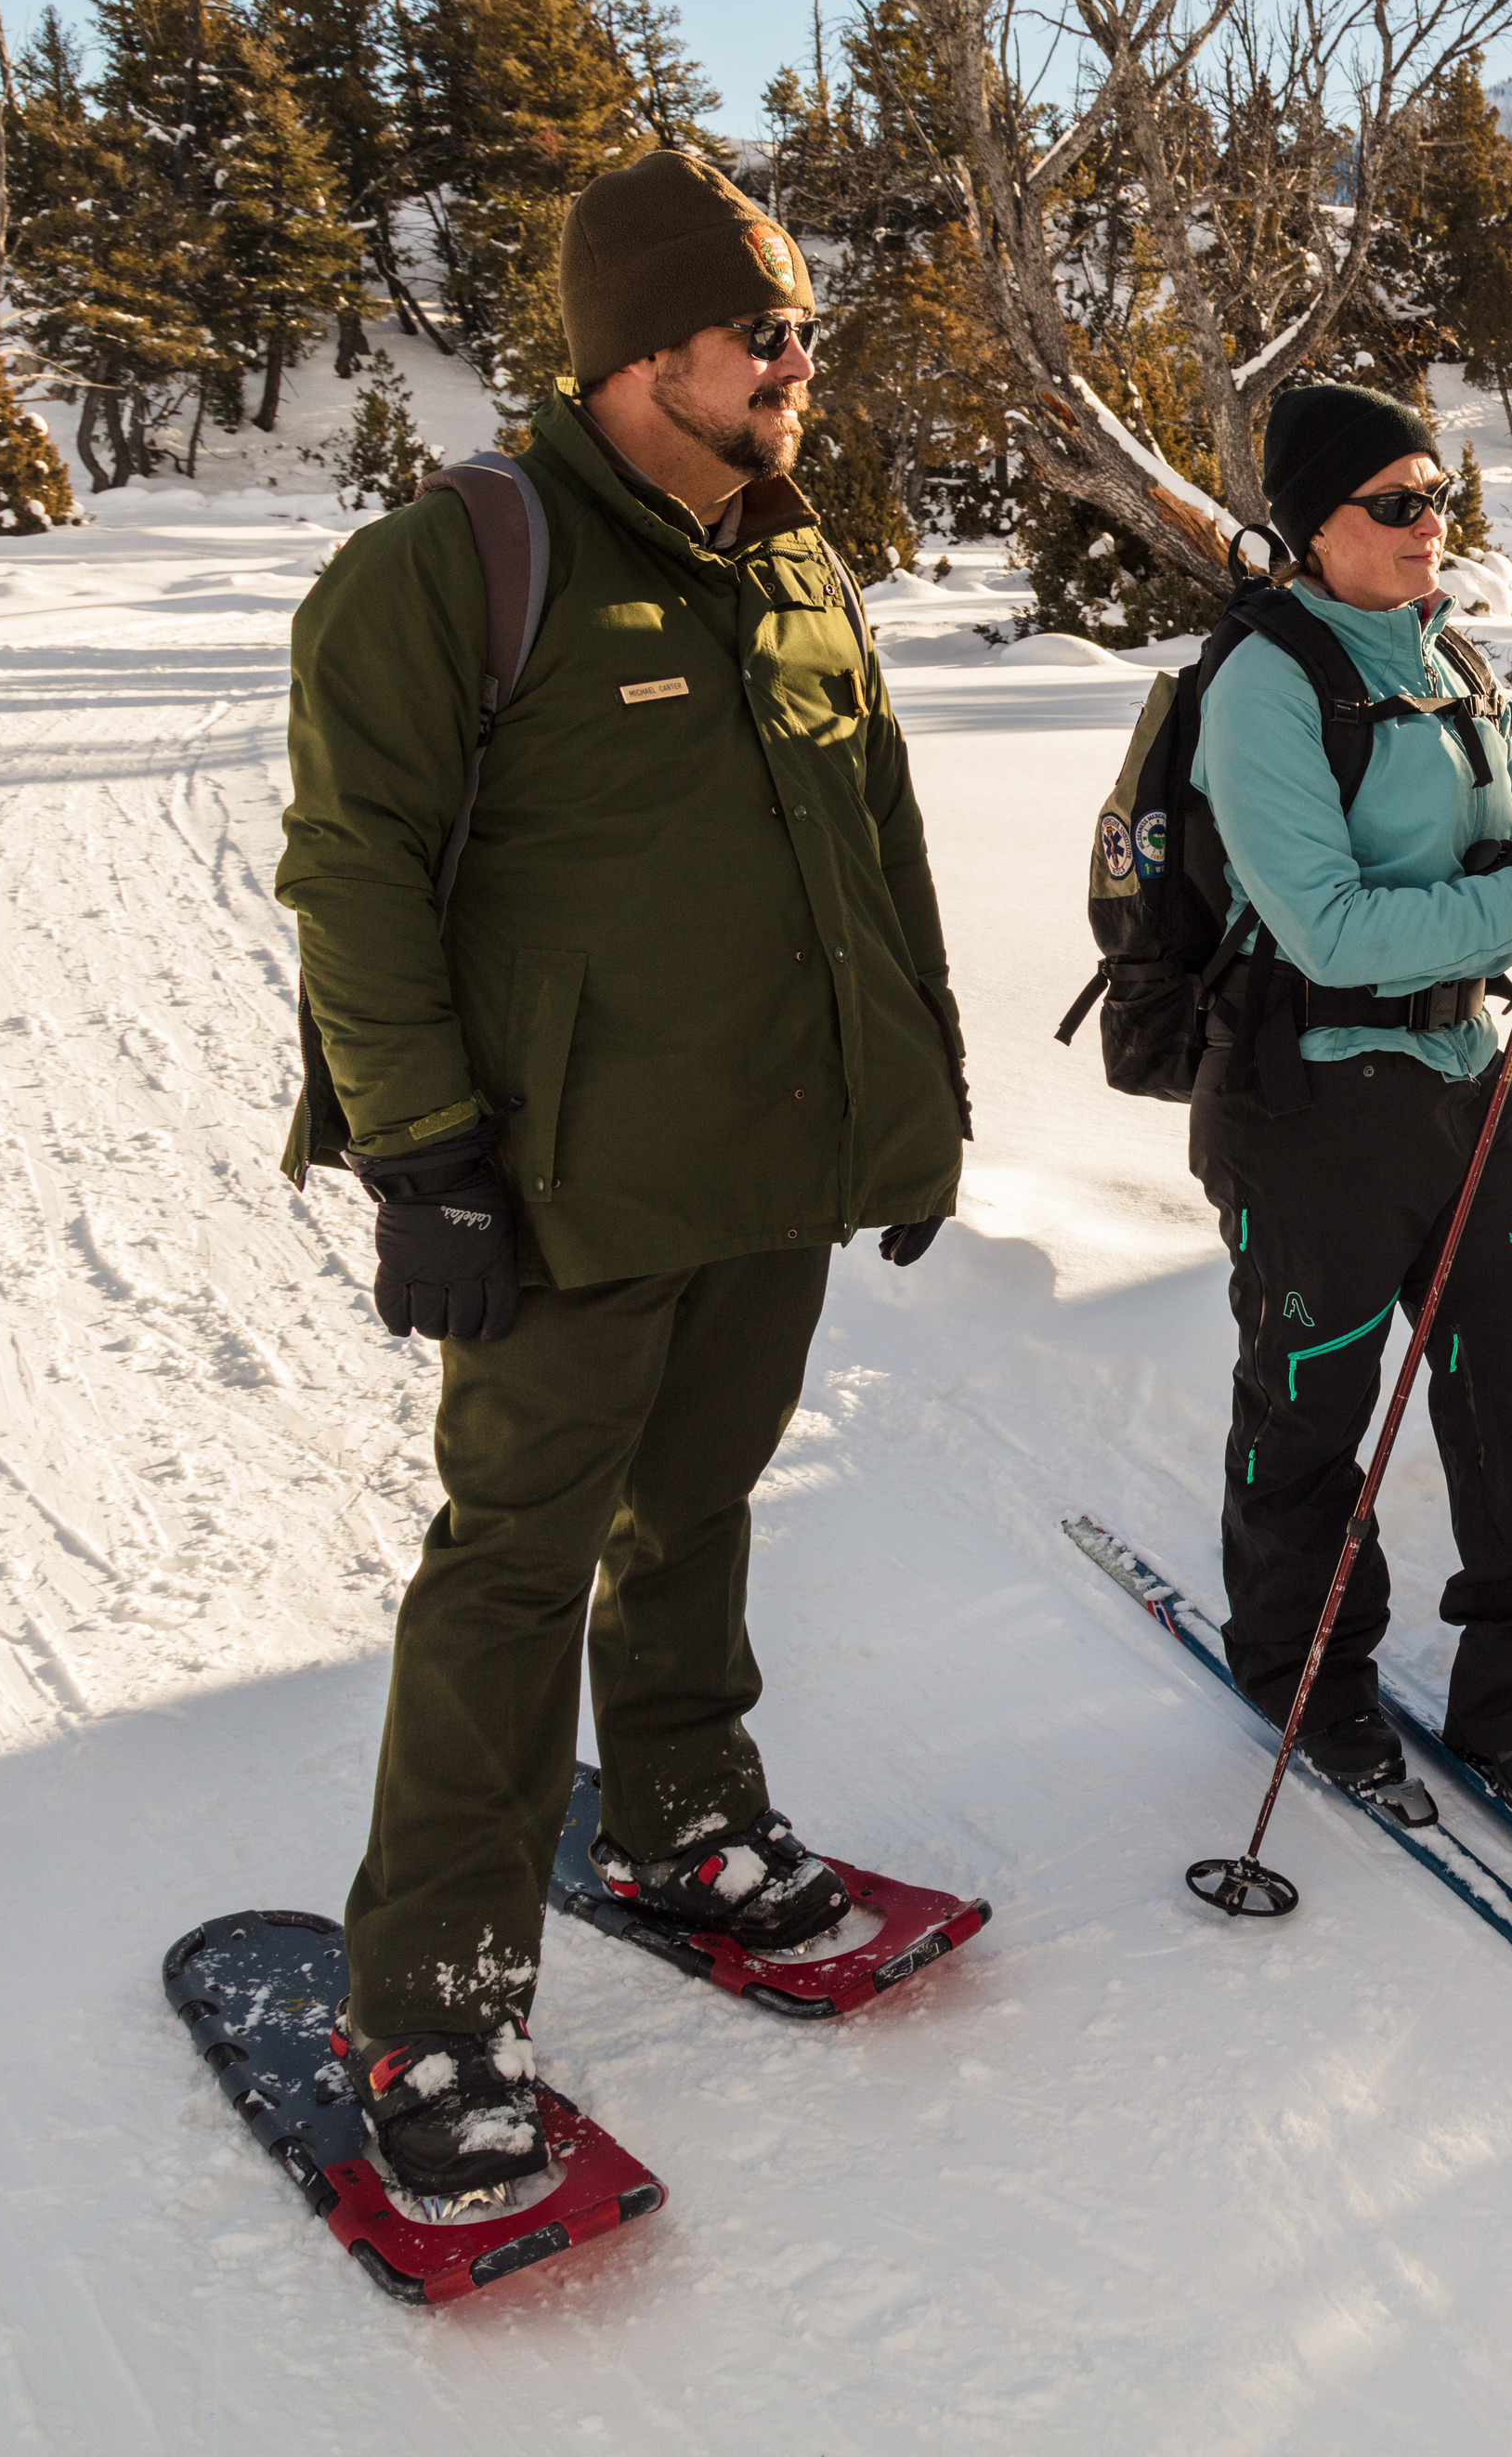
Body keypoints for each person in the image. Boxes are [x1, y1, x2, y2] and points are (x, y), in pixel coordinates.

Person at [275, 149, 971, 2198]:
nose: (800, 365)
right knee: (511, 1569)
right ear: (643, 350)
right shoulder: (458, 563)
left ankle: (680, 1814)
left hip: (769, 1170)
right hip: (567, 1186)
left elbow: (879, 854)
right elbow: (353, 875)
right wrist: (421, 1157)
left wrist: (911, 1100)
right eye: (766, 335)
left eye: (804, 332)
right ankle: (433, 2006)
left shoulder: (791, 563)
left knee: (701, 1507)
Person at [1188, 381, 1512, 1851]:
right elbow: (1324, 926)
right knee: (1311, 1407)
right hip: (1310, 1096)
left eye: (1441, 496)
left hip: (1462, 1075)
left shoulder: (1460, 668)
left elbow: (1476, 877)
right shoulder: (1264, 682)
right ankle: (1313, 1682)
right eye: (1396, 502)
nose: (1433, 523)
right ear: (1313, 526)